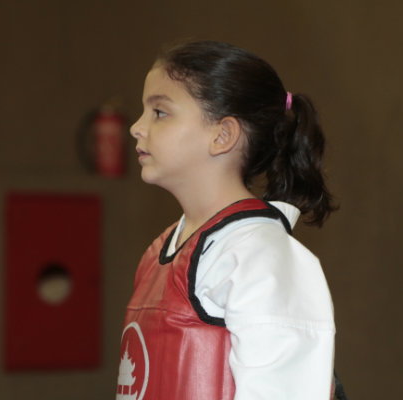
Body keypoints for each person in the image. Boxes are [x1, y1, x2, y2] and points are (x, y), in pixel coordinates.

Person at [116, 41, 346, 400]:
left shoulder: (260, 256)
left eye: (159, 112)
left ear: (222, 135)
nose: (136, 127)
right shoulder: (157, 253)